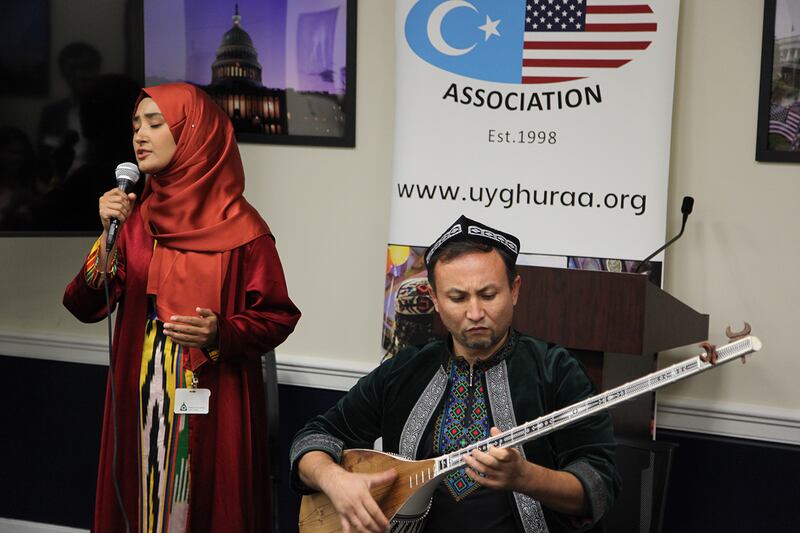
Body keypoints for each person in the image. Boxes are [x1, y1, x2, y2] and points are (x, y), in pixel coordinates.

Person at [63, 82, 301, 533]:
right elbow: (83, 302)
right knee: (142, 496)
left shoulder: (245, 229)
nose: (139, 135)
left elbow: (277, 316)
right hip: (140, 386)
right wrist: (106, 236)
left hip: (212, 391)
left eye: (155, 123)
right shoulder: (133, 218)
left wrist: (221, 334)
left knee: (199, 506)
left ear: (193, 132)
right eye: (136, 125)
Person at [290, 215, 619, 533]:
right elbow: (314, 438)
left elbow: (600, 482)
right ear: (434, 298)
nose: (475, 313)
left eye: (488, 295)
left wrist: (525, 476)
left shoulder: (555, 370)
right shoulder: (406, 369)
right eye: (457, 298)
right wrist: (335, 481)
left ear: (515, 290)